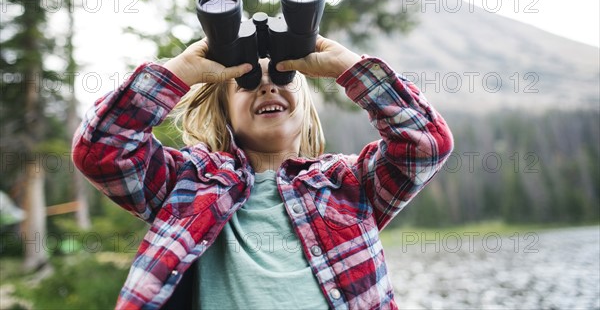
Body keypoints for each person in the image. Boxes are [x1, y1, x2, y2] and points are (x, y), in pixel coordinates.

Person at [72, 35, 454, 310]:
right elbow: (103, 151)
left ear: (306, 106)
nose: (268, 87)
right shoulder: (188, 182)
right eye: (248, 82)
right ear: (224, 112)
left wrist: (349, 69)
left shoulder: (348, 183)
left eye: (286, 78)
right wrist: (179, 72)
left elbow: (425, 145)